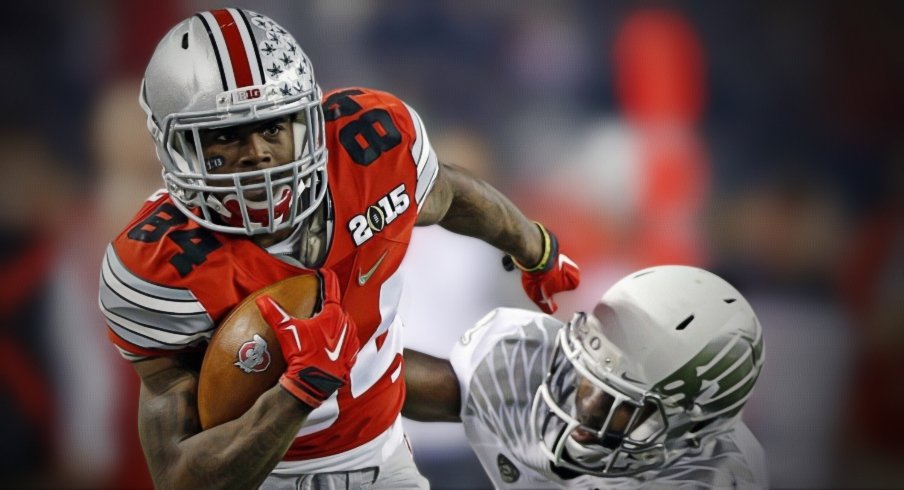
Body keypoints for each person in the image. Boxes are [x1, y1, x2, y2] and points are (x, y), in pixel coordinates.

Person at [96, 8, 579, 489]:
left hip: (387, 462)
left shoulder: (369, 152)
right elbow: (180, 479)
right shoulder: (157, 265)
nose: (259, 152)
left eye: (273, 127)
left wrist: (538, 249)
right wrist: (295, 394)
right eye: (226, 134)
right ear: (176, 145)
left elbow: (450, 194)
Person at [403, 265, 768, 488]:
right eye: (588, 375)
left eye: (620, 402)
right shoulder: (528, 364)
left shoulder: (708, 478)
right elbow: (389, 383)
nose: (586, 405)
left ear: (689, 429)